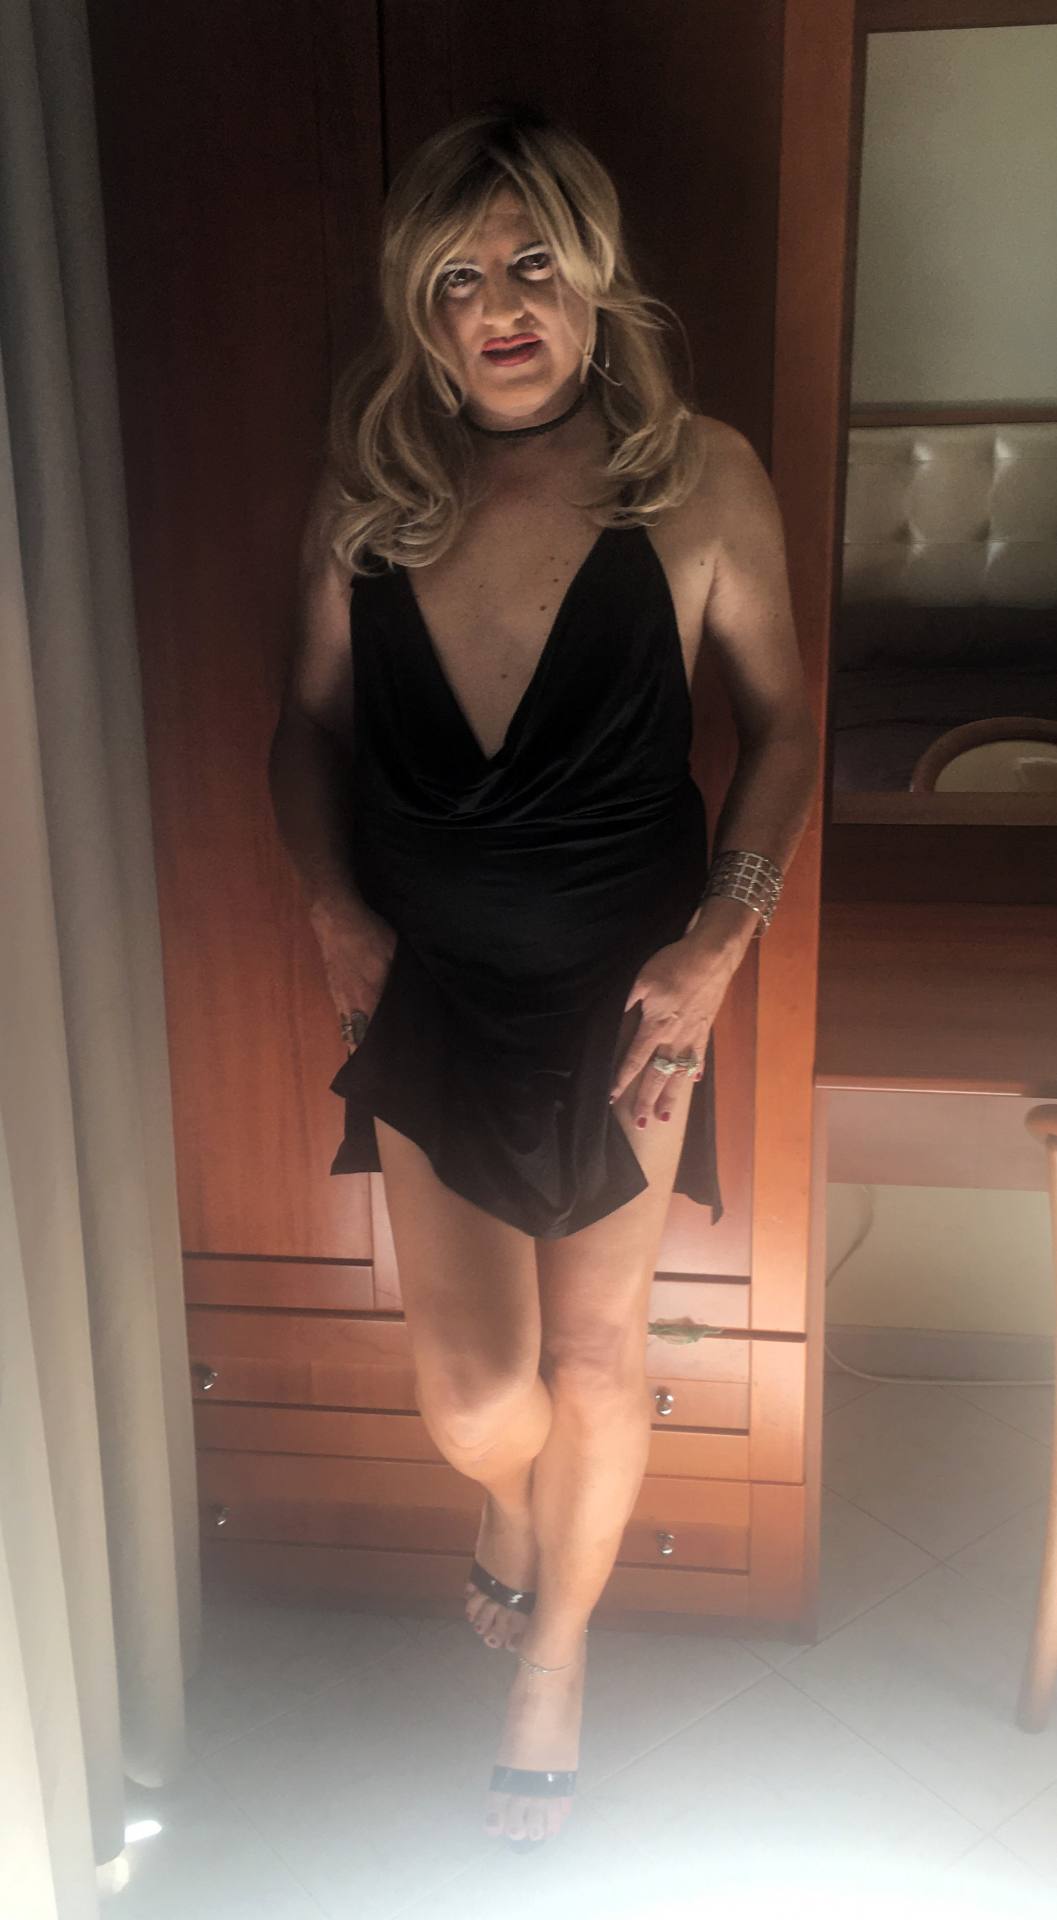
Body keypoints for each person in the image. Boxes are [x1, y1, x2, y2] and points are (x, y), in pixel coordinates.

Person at [268, 102, 819, 1851]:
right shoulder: (372, 491)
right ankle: (507, 1512)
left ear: (591, 277)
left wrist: (722, 936)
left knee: (592, 1367)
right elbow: (305, 730)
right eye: (452, 278)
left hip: (629, 999)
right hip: (423, 989)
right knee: (475, 1402)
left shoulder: (702, 476)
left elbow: (784, 722)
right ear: (412, 306)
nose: (494, 307)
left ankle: (555, 1661)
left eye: (526, 265)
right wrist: (332, 911)